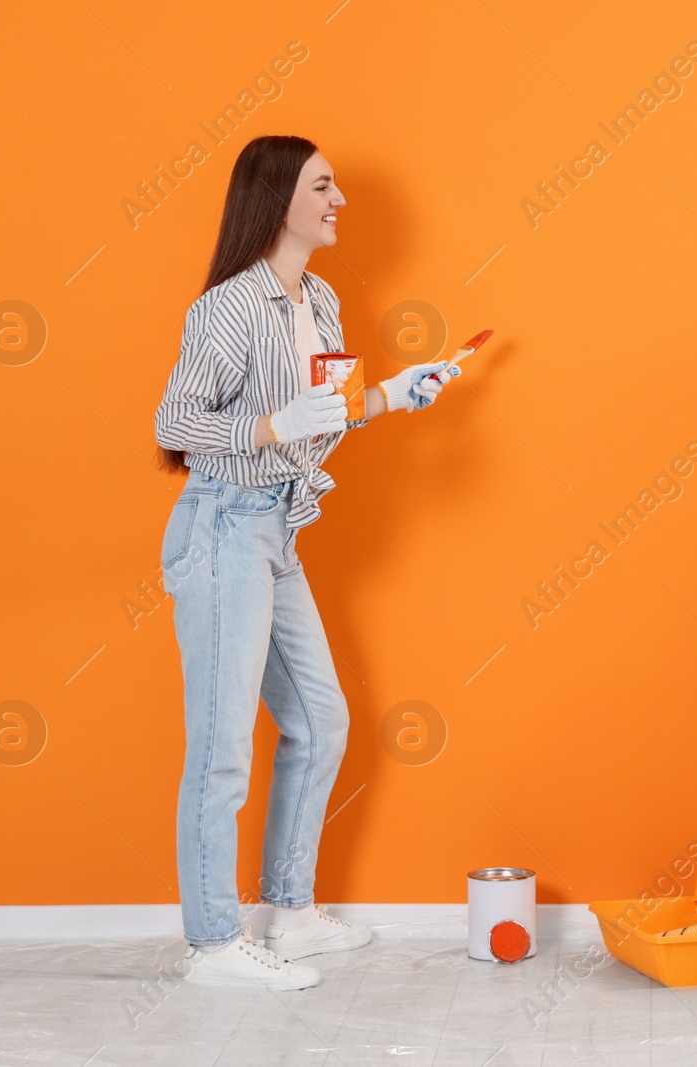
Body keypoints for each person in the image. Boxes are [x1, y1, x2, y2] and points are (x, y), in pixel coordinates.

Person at [154, 134, 458, 988]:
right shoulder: (226, 308)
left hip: (277, 533)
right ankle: (213, 945)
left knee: (321, 721)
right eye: (324, 187)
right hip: (221, 532)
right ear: (279, 196)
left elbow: (322, 412)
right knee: (220, 748)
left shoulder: (316, 299)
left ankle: (288, 912)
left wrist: (396, 394)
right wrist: (264, 428)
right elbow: (172, 423)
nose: (340, 202)